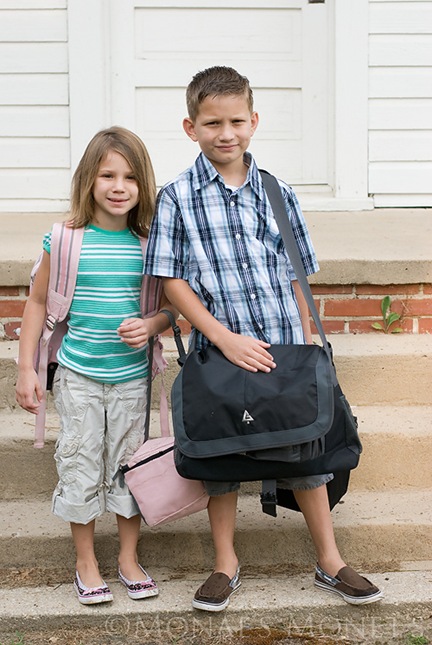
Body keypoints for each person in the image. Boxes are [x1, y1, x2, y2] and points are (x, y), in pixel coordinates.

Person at [144, 66, 383, 612]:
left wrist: (305, 344)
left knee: (306, 454)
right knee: (224, 458)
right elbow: (172, 279)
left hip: (281, 348)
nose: (224, 133)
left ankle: (329, 560)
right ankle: (225, 564)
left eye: (235, 121)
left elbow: (298, 271)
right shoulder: (177, 197)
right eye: (211, 123)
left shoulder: (279, 192)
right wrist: (222, 337)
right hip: (218, 351)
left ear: (253, 121)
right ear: (190, 127)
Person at [16, 126, 176, 605]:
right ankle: (86, 560)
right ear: (89, 179)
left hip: (132, 379)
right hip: (79, 375)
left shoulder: (151, 243)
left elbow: (174, 308)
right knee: (81, 463)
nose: (118, 185)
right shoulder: (65, 240)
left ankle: (128, 557)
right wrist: (27, 369)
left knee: (131, 468)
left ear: (143, 185)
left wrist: (152, 326)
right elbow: (37, 303)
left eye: (129, 176)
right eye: (107, 174)